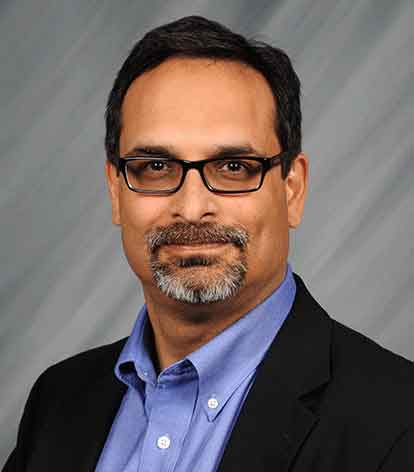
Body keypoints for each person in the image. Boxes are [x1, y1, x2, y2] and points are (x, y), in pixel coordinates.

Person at [3, 15, 414, 472]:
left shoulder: (397, 422)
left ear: (292, 189)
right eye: (155, 167)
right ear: (116, 193)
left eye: (234, 167)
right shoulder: (57, 403)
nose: (193, 207)